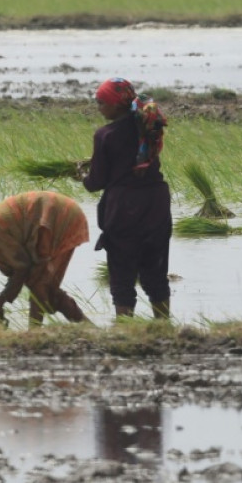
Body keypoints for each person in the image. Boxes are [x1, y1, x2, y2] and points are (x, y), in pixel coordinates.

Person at [81, 77, 171, 320]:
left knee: (122, 275)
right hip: (156, 205)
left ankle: (124, 329)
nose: (98, 107)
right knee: (156, 272)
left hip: (125, 211)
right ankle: (163, 326)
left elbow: (96, 182)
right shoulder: (148, 126)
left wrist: (82, 176)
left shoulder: (105, 135)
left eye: (100, 102)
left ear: (116, 104)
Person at [0, 191, 90, 326]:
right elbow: (22, 269)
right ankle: (88, 329)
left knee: (41, 285)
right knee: (46, 290)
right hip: (55, 215)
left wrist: (1, 300)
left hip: (58, 216)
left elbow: (22, 267)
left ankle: (34, 336)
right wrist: (2, 300)